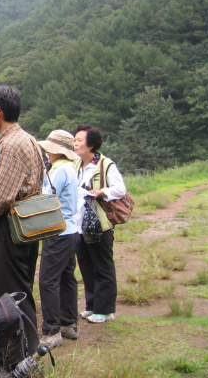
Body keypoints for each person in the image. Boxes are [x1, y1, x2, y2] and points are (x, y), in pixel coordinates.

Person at [0, 85, 44, 355]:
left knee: (11, 292)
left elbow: (3, 194)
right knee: (22, 287)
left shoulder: (12, 144)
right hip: (28, 223)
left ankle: (21, 353)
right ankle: (24, 348)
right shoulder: (26, 138)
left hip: (11, 225)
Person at [73, 124, 127, 324]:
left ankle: (105, 309)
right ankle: (91, 305)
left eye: (80, 140)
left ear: (92, 144)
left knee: (102, 265)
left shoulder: (105, 164)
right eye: (75, 139)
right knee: (86, 265)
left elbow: (120, 189)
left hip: (100, 224)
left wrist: (102, 191)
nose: (75, 143)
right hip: (80, 223)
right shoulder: (77, 164)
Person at [37, 130, 80, 349]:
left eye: (49, 149)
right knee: (66, 276)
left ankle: (52, 330)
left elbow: (46, 197)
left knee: (47, 280)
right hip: (71, 229)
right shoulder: (70, 169)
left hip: (57, 231)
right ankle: (68, 323)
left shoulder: (58, 171)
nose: (46, 153)